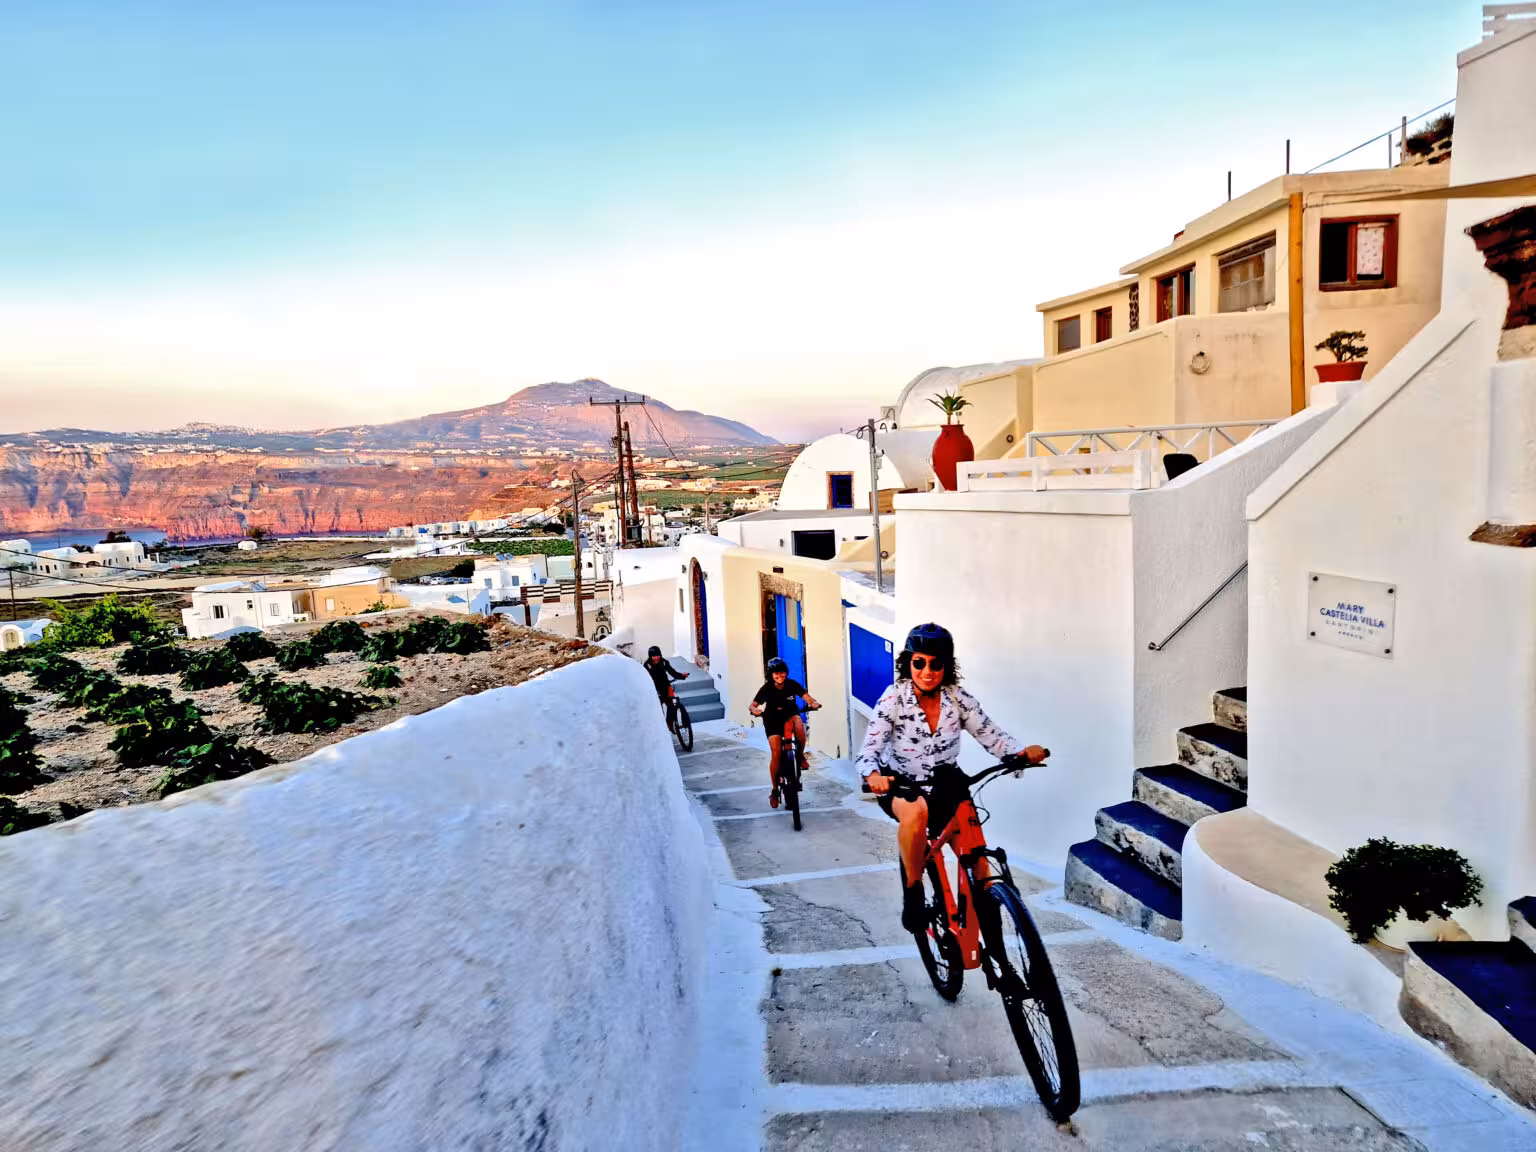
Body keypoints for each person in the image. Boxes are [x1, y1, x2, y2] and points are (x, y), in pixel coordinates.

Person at [856, 623, 1048, 932]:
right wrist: (874, 774)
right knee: (917, 812)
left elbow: (991, 734)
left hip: (947, 782)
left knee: (981, 869)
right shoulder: (894, 698)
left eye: (936, 663)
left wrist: (1020, 752)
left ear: (947, 667)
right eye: (919, 662)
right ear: (909, 663)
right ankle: (914, 890)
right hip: (902, 782)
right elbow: (869, 750)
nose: (927, 671)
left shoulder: (957, 699)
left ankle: (999, 959)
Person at [748, 657, 820, 809]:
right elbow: (753, 705)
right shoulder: (766, 688)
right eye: (776, 674)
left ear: (786, 673)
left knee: (800, 726)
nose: (779, 676)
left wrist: (813, 703)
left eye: (782, 673)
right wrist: (755, 710)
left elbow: (806, 696)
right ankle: (775, 790)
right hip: (772, 720)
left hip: (790, 716)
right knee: (776, 752)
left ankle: (799, 756)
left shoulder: (792, 685)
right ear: (771, 675)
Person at [642, 645, 688, 727]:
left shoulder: (664, 662)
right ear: (650, 656)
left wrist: (682, 676)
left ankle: (669, 724)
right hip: (655, 689)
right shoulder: (646, 665)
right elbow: (644, 679)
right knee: (659, 710)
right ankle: (661, 727)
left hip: (666, 686)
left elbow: (672, 672)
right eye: (654, 656)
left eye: (658, 655)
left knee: (671, 705)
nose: (656, 658)